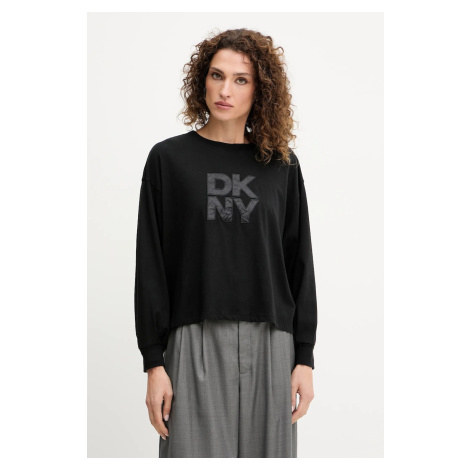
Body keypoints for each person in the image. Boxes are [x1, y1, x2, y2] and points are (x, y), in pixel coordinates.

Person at [134, 28, 318, 458]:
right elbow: (151, 263)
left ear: (260, 89)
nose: (225, 90)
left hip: (272, 343)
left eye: (241, 79)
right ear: (202, 79)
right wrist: (154, 362)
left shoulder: (282, 166)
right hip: (193, 339)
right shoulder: (168, 160)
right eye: (217, 75)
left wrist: (304, 357)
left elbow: (299, 262)